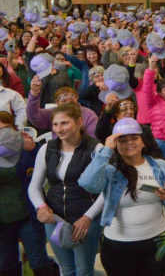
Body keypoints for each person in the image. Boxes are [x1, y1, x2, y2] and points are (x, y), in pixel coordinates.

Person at [78, 118, 165, 276]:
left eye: (134, 138)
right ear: (115, 144)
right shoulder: (110, 170)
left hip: (157, 242)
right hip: (119, 246)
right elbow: (87, 183)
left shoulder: (161, 166)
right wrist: (106, 151)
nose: (129, 143)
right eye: (122, 140)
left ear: (143, 142)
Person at [28, 104, 104, 276]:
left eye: (64, 123)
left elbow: (106, 191)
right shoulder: (47, 149)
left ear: (79, 122)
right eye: (55, 124)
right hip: (55, 219)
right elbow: (34, 186)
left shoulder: (96, 149)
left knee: (84, 270)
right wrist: (41, 207)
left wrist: (88, 217)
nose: (59, 129)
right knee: (66, 269)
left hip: (84, 219)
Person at [0, 112, 58, 276]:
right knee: (6, 263)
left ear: (14, 129)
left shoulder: (24, 147)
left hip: (29, 216)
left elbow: (51, 168)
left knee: (38, 260)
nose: (3, 135)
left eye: (6, 129)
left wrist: (34, 149)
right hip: (3, 221)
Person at [93, 95, 162, 158]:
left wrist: (140, 160)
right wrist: (108, 108)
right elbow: (99, 133)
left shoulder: (144, 129)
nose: (130, 112)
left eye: (132, 108)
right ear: (116, 113)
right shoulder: (111, 130)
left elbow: (157, 152)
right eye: (125, 109)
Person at [27, 82, 99, 138]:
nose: (68, 102)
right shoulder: (53, 113)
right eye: (64, 100)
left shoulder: (89, 114)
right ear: (57, 103)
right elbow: (34, 116)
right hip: (59, 151)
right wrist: (34, 93)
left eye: (71, 99)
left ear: (76, 98)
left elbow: (94, 138)